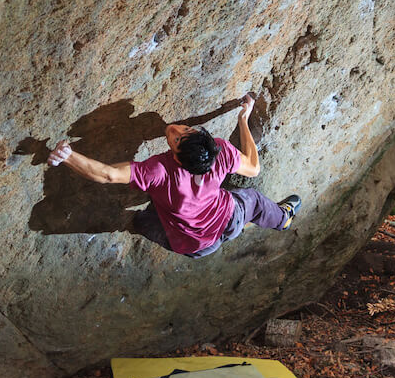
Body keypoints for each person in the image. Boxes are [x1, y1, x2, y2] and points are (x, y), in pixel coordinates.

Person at [46, 95, 302, 257]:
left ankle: (273, 220)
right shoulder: (221, 151)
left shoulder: (159, 171)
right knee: (254, 202)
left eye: (178, 137)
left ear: (178, 157)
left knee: (143, 222)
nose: (175, 129)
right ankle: (281, 219)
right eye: (184, 130)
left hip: (196, 246)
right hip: (231, 217)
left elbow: (109, 175)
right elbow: (253, 167)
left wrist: (68, 157)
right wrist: (243, 119)